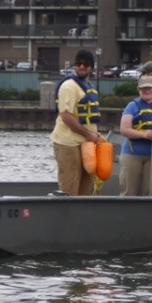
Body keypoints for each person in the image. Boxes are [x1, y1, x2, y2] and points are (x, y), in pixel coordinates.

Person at [50, 49, 101, 195]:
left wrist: (95, 134)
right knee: (69, 187)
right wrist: (89, 134)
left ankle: (80, 216)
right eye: (79, 63)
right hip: (68, 144)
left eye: (86, 64)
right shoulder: (69, 86)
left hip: (85, 144)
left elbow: (88, 118)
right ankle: (65, 216)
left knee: (84, 189)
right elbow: (66, 116)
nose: (82, 66)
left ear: (91, 67)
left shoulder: (89, 87)